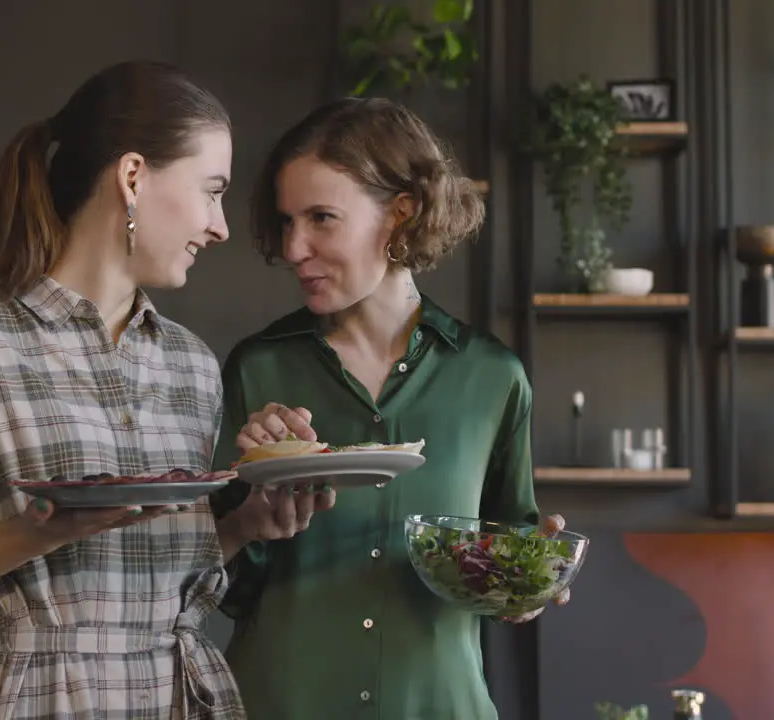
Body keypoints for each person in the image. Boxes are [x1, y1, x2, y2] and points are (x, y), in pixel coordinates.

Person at [0, 60, 248, 720]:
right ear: (132, 177)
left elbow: (164, 575)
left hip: (187, 698)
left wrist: (247, 524)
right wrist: (38, 533)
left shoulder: (193, 366)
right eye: (212, 191)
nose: (221, 226)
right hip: (46, 701)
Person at [209, 96, 570, 720]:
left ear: (401, 214)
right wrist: (250, 515)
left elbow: (505, 561)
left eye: (321, 218)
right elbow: (216, 584)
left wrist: (526, 585)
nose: (294, 247)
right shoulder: (258, 369)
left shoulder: (493, 377)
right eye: (287, 220)